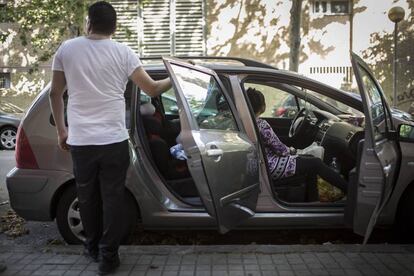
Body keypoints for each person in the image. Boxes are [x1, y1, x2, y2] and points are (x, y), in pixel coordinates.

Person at [49, 1, 171, 275]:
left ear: (88, 23)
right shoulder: (123, 52)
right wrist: (175, 76)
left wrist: (61, 130)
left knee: (87, 197)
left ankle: (91, 248)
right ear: (114, 27)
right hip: (113, 141)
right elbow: (151, 89)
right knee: (113, 198)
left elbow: (55, 94)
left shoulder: (67, 49)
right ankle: (108, 257)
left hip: (81, 142)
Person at [246, 87, 347, 194]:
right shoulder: (261, 124)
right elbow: (281, 150)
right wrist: (293, 151)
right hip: (270, 166)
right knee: (315, 162)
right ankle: (349, 189)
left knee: (310, 160)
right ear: (262, 106)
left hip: (262, 163)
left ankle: (312, 198)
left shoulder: (247, 123)